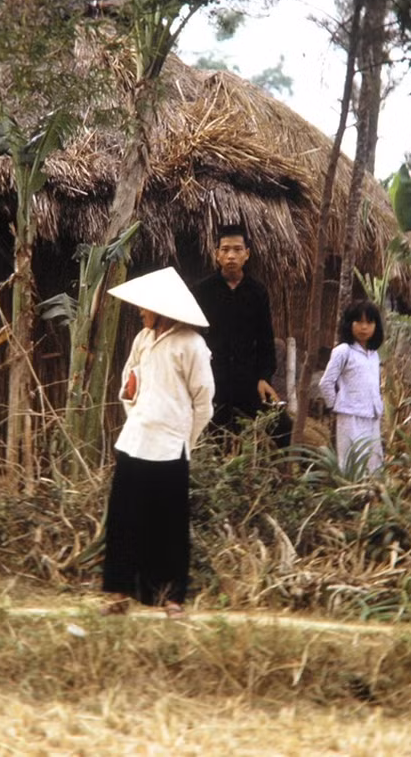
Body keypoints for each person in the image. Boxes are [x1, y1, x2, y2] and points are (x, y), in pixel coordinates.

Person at [100, 267, 214, 618]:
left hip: (170, 448)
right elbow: (128, 380)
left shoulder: (191, 344)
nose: (140, 311)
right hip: (135, 440)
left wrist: (185, 441)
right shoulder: (143, 339)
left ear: (162, 308)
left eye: (145, 306)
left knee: (169, 525)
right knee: (124, 520)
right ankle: (119, 593)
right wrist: (132, 401)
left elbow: (204, 401)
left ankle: (172, 598)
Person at [192, 224, 291, 448]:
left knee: (283, 429)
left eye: (237, 249)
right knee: (214, 441)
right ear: (216, 254)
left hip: (249, 381)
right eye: (225, 249)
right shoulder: (202, 291)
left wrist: (264, 377)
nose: (231, 256)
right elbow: (190, 335)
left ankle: (286, 469)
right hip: (212, 380)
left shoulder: (257, 292)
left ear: (247, 254)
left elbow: (266, 339)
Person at [318, 298, 385, 474]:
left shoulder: (374, 355)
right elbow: (326, 382)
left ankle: (372, 491)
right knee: (351, 464)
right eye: (359, 322)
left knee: (373, 462)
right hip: (350, 417)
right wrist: (336, 405)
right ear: (349, 323)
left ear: (376, 326)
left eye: (369, 322)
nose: (364, 327)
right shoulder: (343, 351)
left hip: (372, 416)